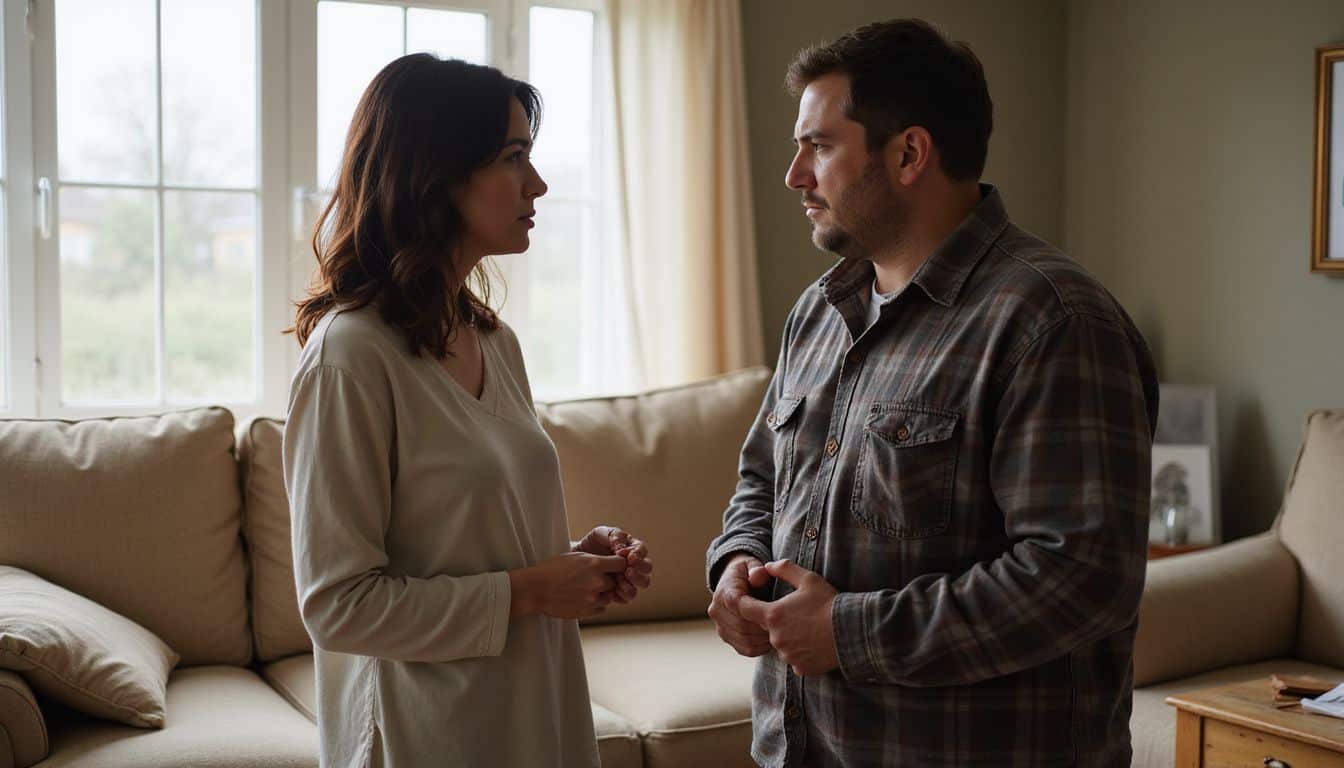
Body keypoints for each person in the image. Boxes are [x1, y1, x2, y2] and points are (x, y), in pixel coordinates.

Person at [705, 19, 1157, 767]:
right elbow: (760, 478)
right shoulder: (818, 311)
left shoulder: (1053, 320)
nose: (794, 175)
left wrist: (847, 632)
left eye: (819, 146)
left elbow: (1080, 578)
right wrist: (736, 566)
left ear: (909, 152)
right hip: (801, 747)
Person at [283, 54, 653, 767]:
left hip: (531, 707)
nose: (537, 184)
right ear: (437, 173)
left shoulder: (494, 341)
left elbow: (469, 540)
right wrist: (532, 589)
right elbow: (339, 605)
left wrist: (572, 566)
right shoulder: (351, 357)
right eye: (515, 157)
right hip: (424, 731)